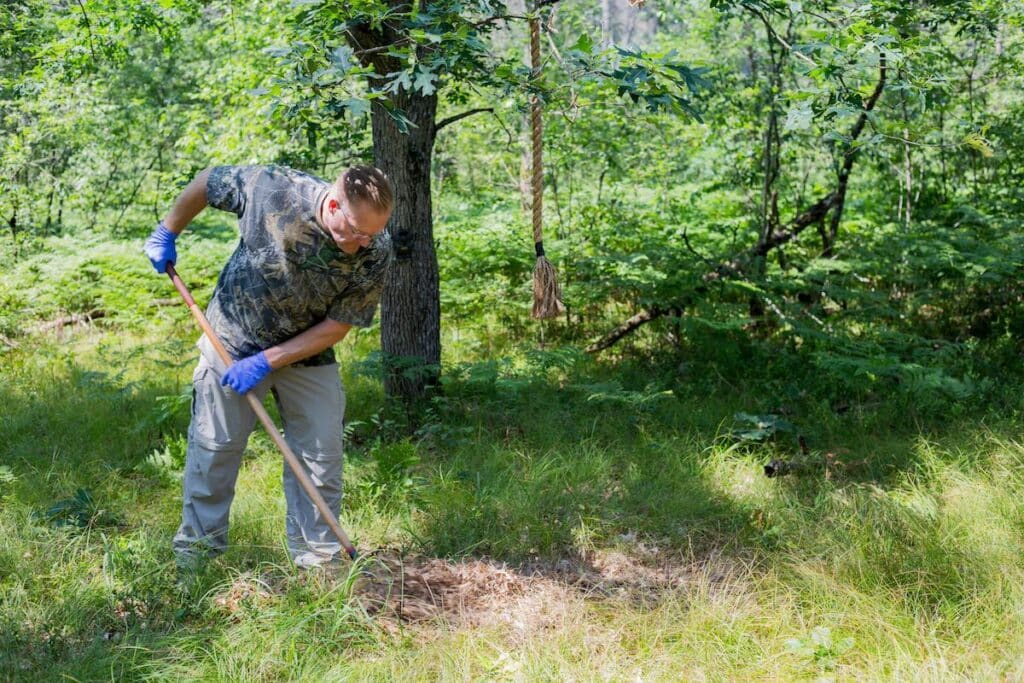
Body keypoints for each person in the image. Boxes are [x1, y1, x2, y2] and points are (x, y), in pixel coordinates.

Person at [143, 164, 393, 569]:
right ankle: (198, 563)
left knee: (320, 458)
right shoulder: (274, 190)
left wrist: (267, 361)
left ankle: (319, 564)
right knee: (214, 453)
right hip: (233, 339)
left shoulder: (375, 250)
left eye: (372, 234)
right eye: (357, 231)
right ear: (333, 204)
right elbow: (209, 182)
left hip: (308, 351)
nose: (364, 243)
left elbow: (338, 325)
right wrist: (168, 230)